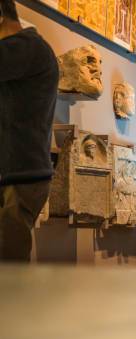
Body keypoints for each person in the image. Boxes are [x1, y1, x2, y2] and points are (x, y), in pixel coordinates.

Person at [0, 0, 59, 261]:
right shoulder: (30, 49)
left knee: (8, 275)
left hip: (18, 177)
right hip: (21, 174)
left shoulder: (25, 48)